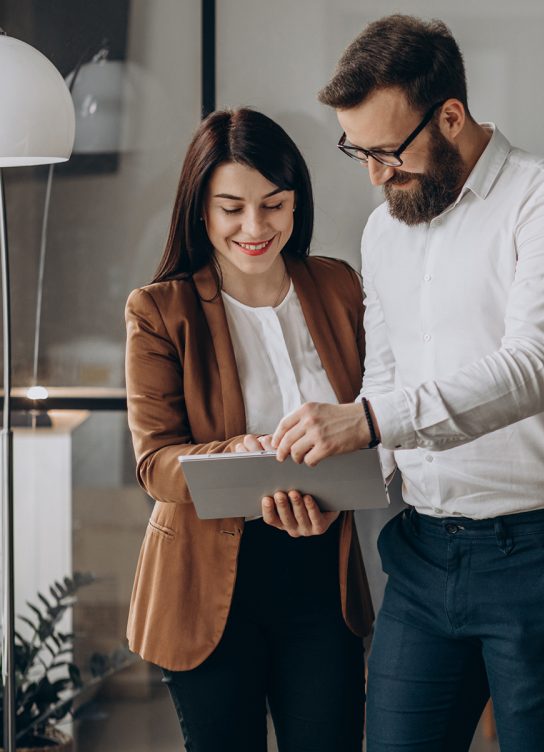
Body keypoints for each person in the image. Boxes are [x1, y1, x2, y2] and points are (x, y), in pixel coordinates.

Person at [271, 15, 544, 751]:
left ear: (451, 116)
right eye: (357, 152)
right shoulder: (386, 229)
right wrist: (332, 482)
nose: (374, 174)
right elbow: (388, 374)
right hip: (425, 555)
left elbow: (530, 371)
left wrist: (367, 421)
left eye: (386, 151)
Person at [124, 107, 373, 752]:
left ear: (297, 204)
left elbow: (379, 416)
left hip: (322, 574)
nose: (255, 227)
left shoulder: (339, 286)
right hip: (206, 587)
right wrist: (235, 453)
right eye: (231, 207)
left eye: (274, 204)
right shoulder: (160, 309)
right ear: (199, 210)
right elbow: (156, 466)